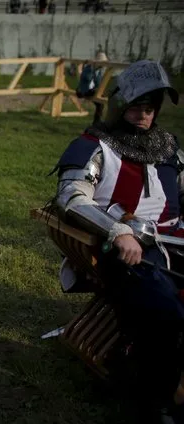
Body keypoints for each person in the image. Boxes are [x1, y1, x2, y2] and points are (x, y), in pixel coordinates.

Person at [52, 60, 183, 423]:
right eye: (139, 105)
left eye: (152, 105)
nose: (146, 113)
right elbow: (71, 198)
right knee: (165, 311)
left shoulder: (170, 149)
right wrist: (117, 230)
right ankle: (154, 400)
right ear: (120, 104)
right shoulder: (95, 146)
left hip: (174, 247)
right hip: (122, 252)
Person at [76, 50, 109, 125]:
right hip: (83, 91)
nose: (103, 65)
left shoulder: (98, 71)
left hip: (89, 90)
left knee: (101, 102)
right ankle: (97, 122)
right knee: (100, 103)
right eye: (102, 63)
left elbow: (98, 83)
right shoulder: (89, 69)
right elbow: (86, 80)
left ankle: (97, 122)